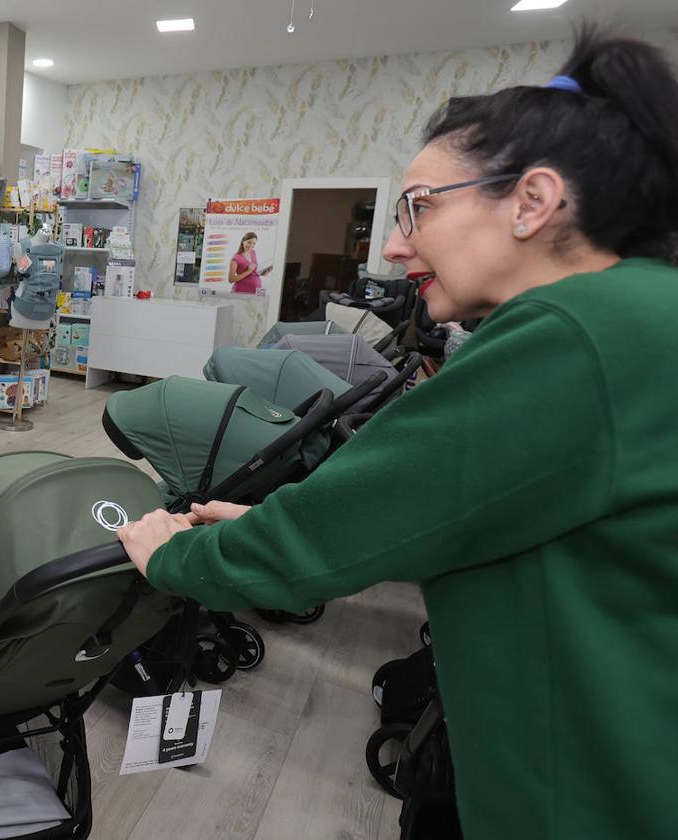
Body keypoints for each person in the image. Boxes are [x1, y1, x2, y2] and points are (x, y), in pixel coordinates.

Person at [117, 27, 678, 840]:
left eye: (420, 206)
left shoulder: (570, 335)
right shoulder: (641, 313)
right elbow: (480, 517)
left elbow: (318, 540)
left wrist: (173, 554)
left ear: (532, 201)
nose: (393, 243)